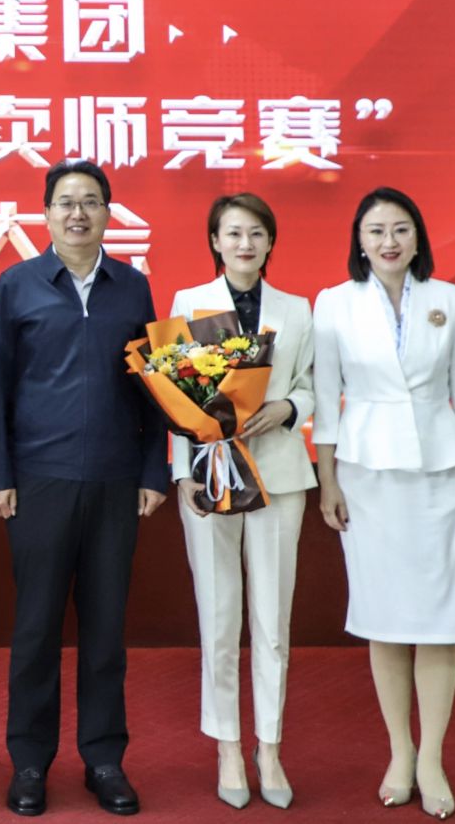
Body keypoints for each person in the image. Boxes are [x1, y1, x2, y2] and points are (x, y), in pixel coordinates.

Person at [0, 160, 169, 818]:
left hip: (116, 480)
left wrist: (152, 471)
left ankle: (104, 759)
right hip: (39, 480)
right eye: (65, 202)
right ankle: (30, 762)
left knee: (106, 630)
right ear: (46, 213)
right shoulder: (17, 283)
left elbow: (154, 387)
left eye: (90, 201)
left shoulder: (132, 287)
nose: (77, 213)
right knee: (35, 629)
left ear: (109, 213)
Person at [313, 187, 455, 821]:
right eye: (376, 231)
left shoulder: (452, 298)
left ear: (418, 238)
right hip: (367, 475)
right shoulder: (334, 302)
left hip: (440, 470)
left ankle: (433, 757)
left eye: (400, 229)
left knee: (441, 618)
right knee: (385, 617)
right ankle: (399, 751)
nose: (388, 241)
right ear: (359, 242)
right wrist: (327, 480)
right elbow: (326, 396)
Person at [168, 193, 315, 811]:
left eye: (256, 233)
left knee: (272, 620)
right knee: (219, 614)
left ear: (270, 242)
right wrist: (183, 474)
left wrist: (288, 407)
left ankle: (269, 746)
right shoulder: (189, 303)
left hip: (278, 476)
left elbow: (311, 384)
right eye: (233, 233)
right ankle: (228, 744)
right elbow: (176, 396)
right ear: (215, 242)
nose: (245, 244)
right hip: (209, 477)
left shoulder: (297, 309)